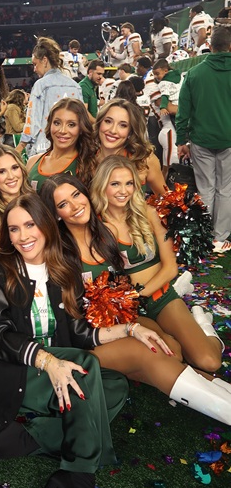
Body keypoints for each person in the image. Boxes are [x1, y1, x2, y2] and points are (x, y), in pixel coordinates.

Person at [0, 192, 134, 488]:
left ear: (46, 225)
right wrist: (47, 360)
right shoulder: (0, 268)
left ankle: (24, 438)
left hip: (56, 367)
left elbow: (78, 333)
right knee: (85, 370)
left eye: (30, 225)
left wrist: (129, 329)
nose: (22, 236)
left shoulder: (64, 266)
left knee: (116, 386)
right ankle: (78, 482)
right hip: (12, 370)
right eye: (14, 229)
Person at [40, 173, 231, 424]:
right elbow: (74, 327)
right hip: (88, 341)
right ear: (55, 214)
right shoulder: (59, 255)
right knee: (152, 351)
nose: (75, 205)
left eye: (76, 195)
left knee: (173, 351)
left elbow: (124, 288)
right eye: (63, 204)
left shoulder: (104, 236)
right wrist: (127, 330)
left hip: (121, 323)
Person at [91, 155, 224, 374]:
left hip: (159, 297)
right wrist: (127, 301)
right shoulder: (94, 224)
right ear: (102, 185)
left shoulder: (149, 213)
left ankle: (204, 326)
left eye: (129, 183)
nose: (123, 191)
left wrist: (138, 294)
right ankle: (176, 336)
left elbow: (170, 268)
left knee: (209, 362)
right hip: (129, 311)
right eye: (115, 184)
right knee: (173, 355)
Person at [176, 26, 231, 253]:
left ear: (209, 46)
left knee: (206, 189)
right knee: (226, 189)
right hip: (228, 140)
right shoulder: (195, 73)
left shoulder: (195, 73)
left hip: (201, 139)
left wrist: (181, 140)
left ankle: (205, 236)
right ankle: (220, 238)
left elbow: (183, 111)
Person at [79, 98, 167, 195]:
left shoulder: (144, 160)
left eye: (123, 125)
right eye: (108, 121)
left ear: (130, 131)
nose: (113, 130)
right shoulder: (86, 157)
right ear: (99, 123)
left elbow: (166, 199)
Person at [19, 37, 83, 157]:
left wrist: (21, 145)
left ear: (44, 60)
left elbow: (33, 121)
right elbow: (81, 121)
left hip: (44, 150)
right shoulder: (75, 86)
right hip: (71, 150)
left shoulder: (40, 85)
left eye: (35, 64)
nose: (34, 69)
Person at [26, 97, 91, 192]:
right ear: (50, 124)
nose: (62, 130)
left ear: (81, 128)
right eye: (57, 123)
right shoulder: (32, 162)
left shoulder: (88, 166)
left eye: (71, 125)